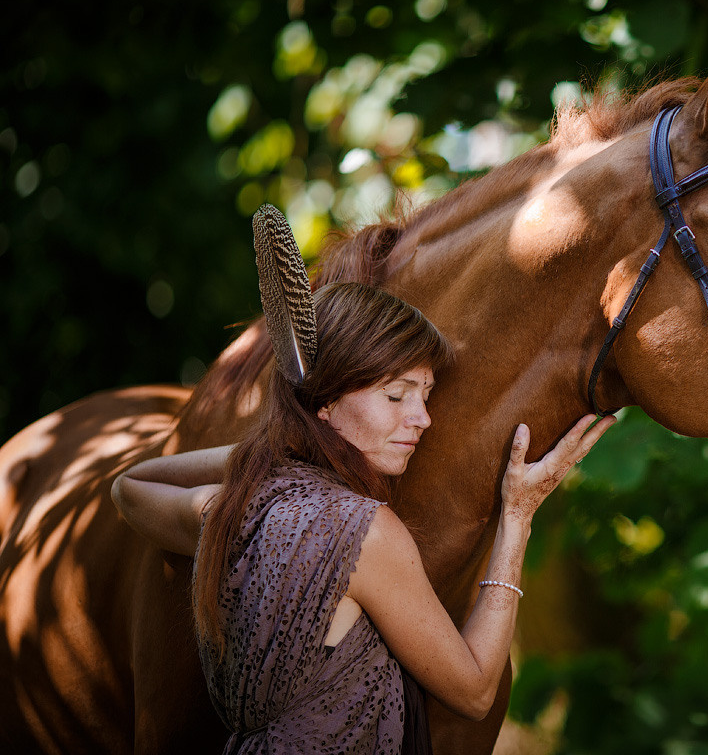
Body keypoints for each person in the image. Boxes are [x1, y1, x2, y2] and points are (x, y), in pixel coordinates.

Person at [112, 278, 614, 754]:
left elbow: (130, 486)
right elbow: (476, 692)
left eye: (425, 394)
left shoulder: (229, 508)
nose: (422, 418)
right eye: (397, 395)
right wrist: (519, 515)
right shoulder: (366, 535)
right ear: (325, 399)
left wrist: (271, 450)